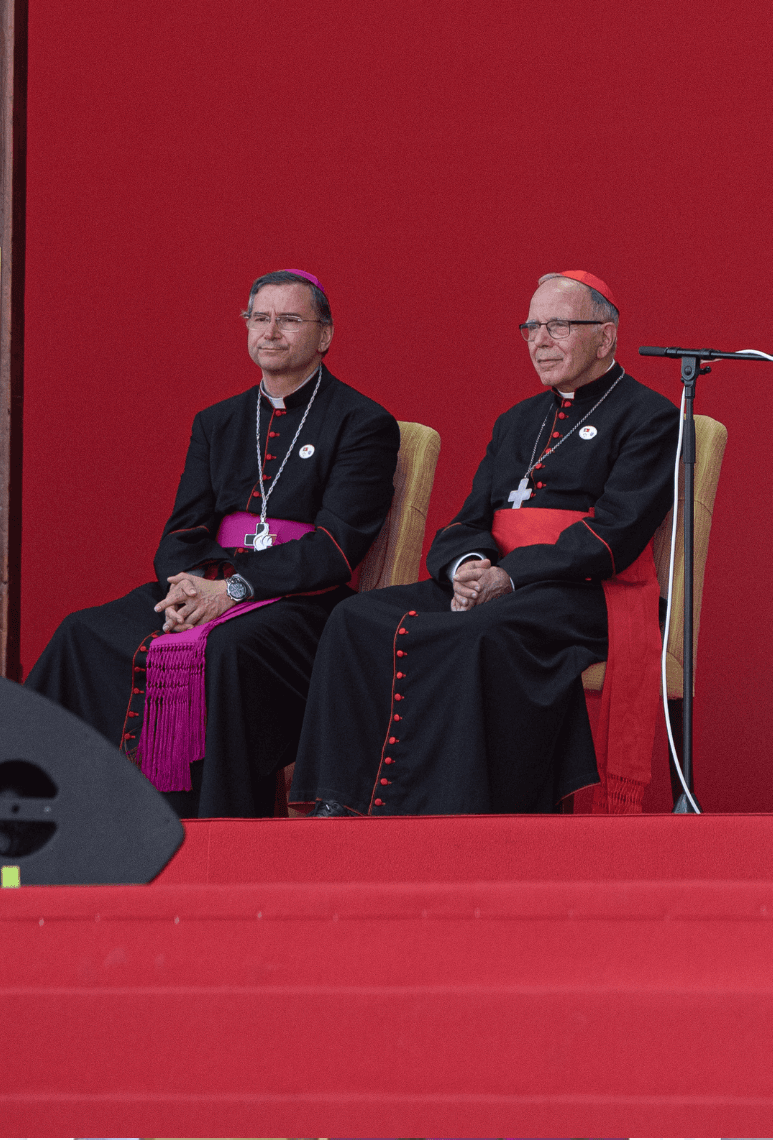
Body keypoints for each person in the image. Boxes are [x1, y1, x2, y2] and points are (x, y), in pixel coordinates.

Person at [289, 271, 678, 816]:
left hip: (588, 592)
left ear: (605, 336)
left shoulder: (650, 416)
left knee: (475, 632)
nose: (540, 341)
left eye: (558, 325)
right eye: (531, 327)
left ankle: (455, 806)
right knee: (355, 617)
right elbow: (470, 520)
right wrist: (468, 565)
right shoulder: (517, 421)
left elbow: (616, 531)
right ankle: (342, 796)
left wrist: (512, 575)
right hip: (500, 581)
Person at [26, 270, 400, 817]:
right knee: (82, 632)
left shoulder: (363, 422)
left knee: (225, 650)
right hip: (208, 582)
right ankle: (54, 809)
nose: (271, 331)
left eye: (290, 319)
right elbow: (183, 528)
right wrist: (187, 589)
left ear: (324, 335)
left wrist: (237, 591)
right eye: (260, 318)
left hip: (302, 605)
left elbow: (335, 548)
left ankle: (212, 825)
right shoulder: (217, 421)